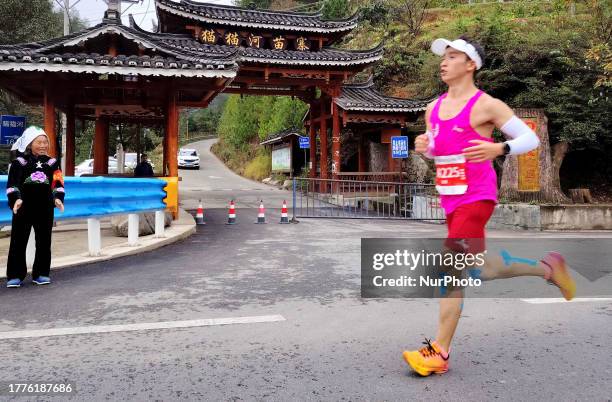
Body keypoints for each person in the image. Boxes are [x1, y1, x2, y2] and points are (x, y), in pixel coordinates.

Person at [402, 36, 576, 376]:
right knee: (481, 269)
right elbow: (441, 150)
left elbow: (530, 138)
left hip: (477, 195)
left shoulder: (487, 105)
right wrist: (426, 146)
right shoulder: (433, 108)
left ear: (470, 65)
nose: (445, 61)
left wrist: (499, 150)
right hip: (451, 196)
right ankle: (548, 269)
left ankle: (439, 351)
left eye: (453, 56)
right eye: (444, 56)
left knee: (450, 268)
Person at [5, 126, 65, 288]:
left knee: (44, 242)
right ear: (29, 144)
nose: (43, 145)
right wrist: (15, 200)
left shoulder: (53, 163)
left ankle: (41, 273)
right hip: (23, 208)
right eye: (39, 142)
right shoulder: (19, 163)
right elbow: (12, 185)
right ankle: (15, 275)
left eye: (45, 142)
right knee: (18, 241)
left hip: (45, 208)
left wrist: (58, 198)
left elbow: (58, 183)